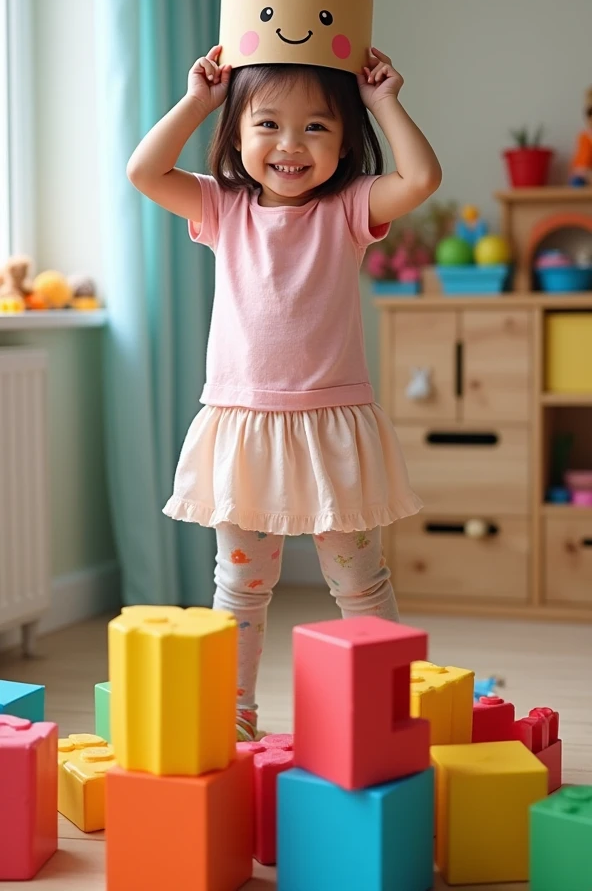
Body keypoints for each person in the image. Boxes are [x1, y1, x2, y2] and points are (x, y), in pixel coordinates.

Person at [127, 43, 442, 740]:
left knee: (360, 583)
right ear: (236, 136)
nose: (290, 145)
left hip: (331, 429)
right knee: (239, 587)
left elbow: (420, 177)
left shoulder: (352, 206)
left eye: (317, 127)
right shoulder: (221, 207)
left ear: (346, 138)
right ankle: (234, 718)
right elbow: (143, 171)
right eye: (267, 124)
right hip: (243, 428)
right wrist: (198, 100)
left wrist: (385, 99)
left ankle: (389, 711)